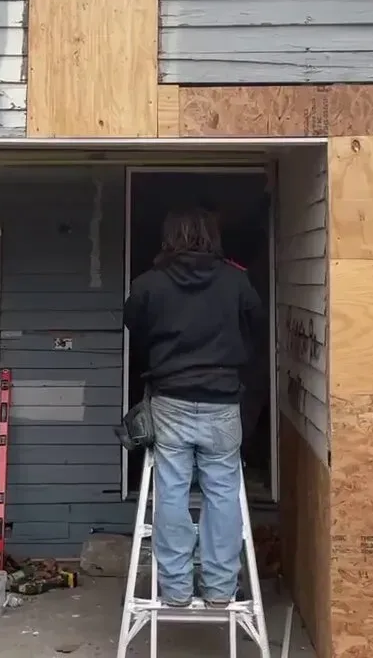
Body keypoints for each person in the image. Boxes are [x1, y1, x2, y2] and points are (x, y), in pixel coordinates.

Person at [123, 206, 265, 607]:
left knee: (171, 491)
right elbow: (255, 324)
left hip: (170, 399)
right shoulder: (236, 281)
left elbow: (135, 324)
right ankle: (221, 588)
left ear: (169, 238)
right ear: (212, 238)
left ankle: (176, 589)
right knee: (222, 492)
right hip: (222, 401)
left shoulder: (150, 283)